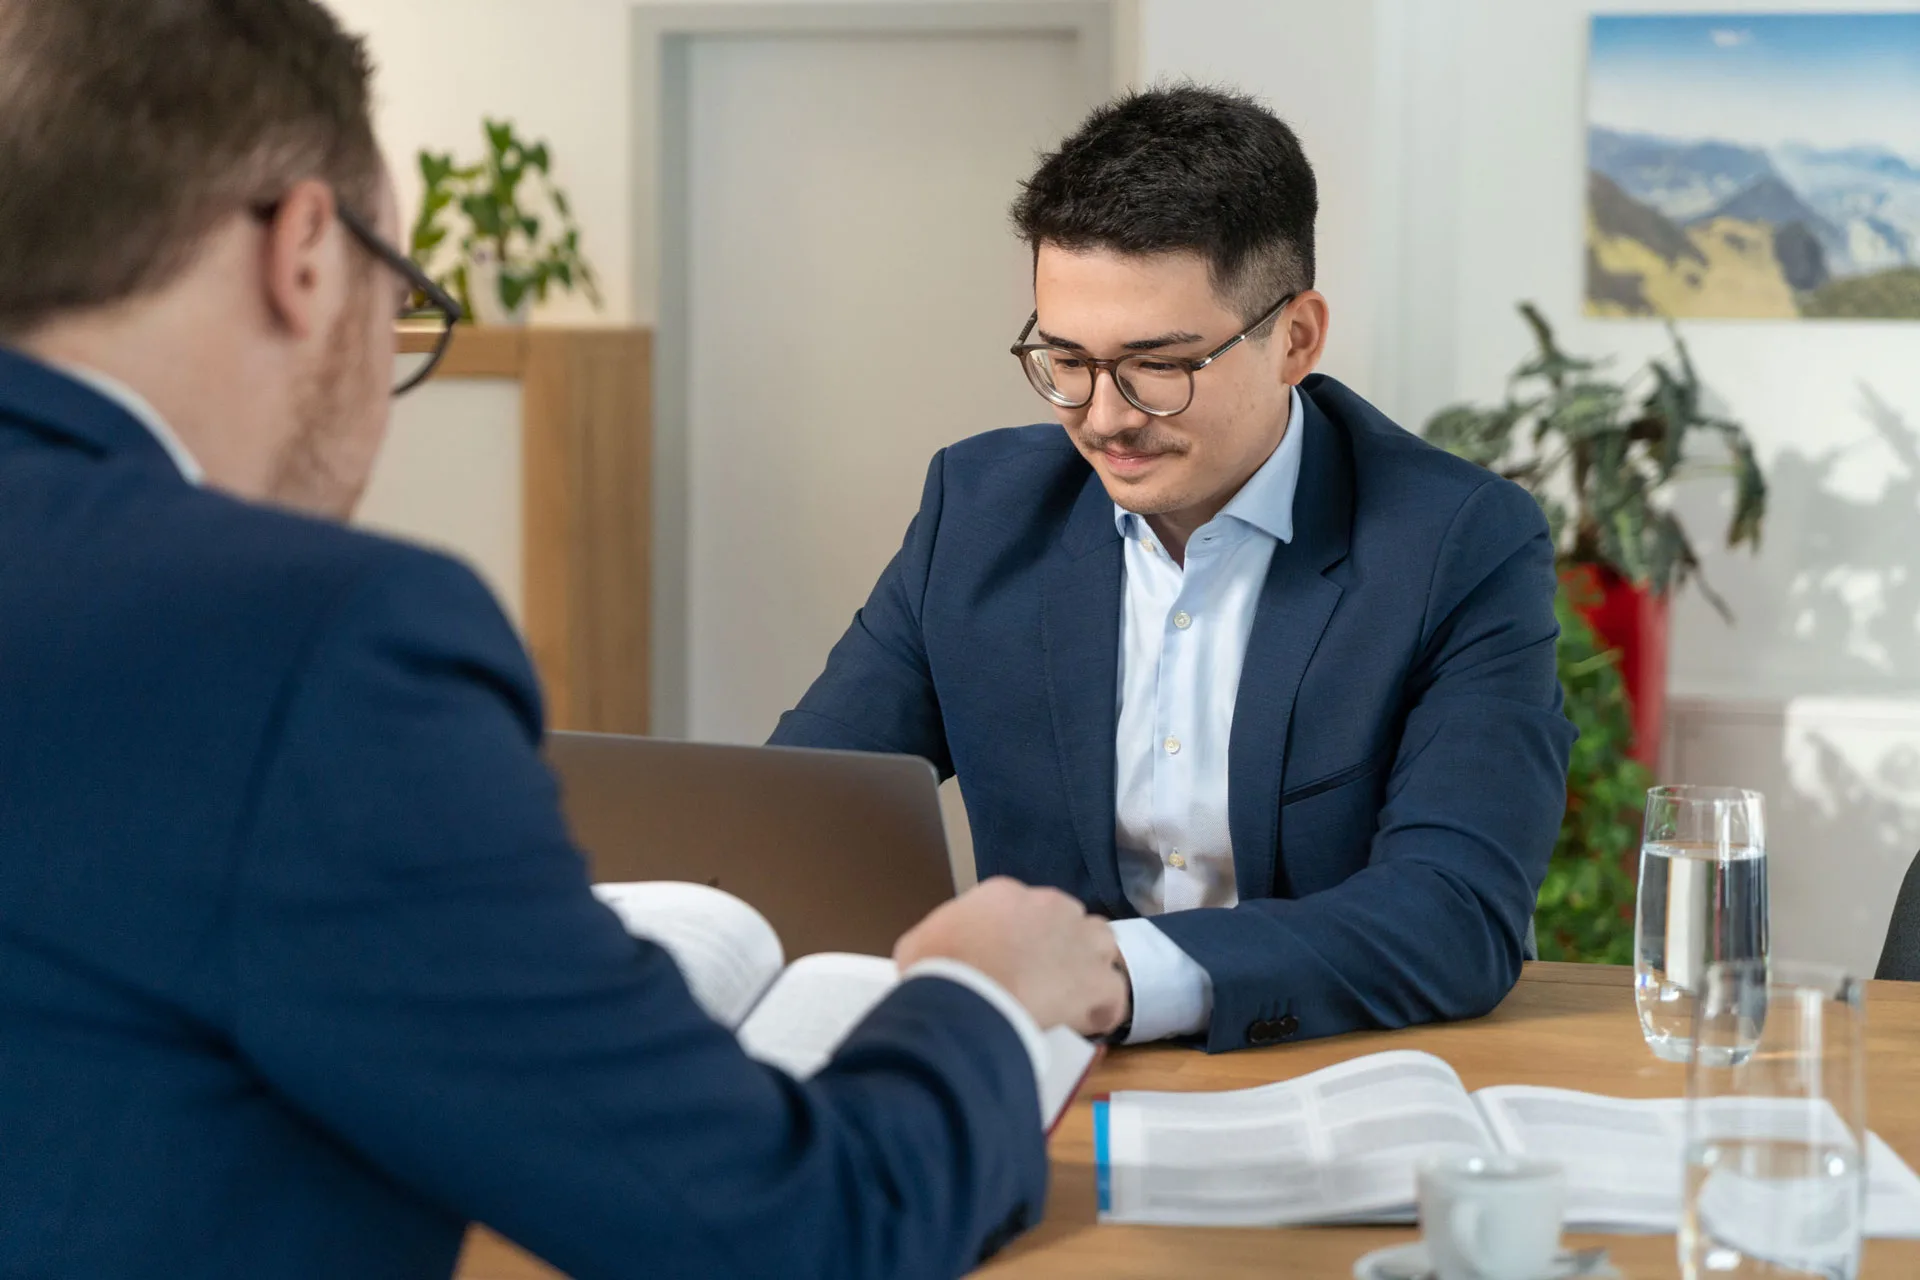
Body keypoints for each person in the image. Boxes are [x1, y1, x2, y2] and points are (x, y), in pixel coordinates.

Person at [0, 2, 1128, 1277]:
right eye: (403, 306)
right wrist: (984, 993)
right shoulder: (309, 637)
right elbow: (792, 1228)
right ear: (308, 251)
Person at [773, 85, 1575, 1053]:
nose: (1103, 416)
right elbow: (799, 810)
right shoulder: (978, 513)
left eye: (1159, 365)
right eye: (1065, 358)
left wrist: (1114, 971)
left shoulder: (1456, 542)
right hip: (1052, 1092)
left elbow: (1455, 912)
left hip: (1336, 1072)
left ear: (1297, 336)